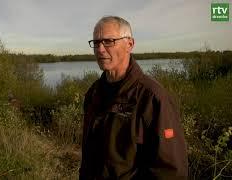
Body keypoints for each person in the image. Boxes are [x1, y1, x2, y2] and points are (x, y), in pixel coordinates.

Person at [79, 16, 188, 179]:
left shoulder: (152, 97)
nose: (100, 49)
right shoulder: (94, 93)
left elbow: (170, 171)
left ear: (129, 44)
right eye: (96, 43)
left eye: (108, 41)